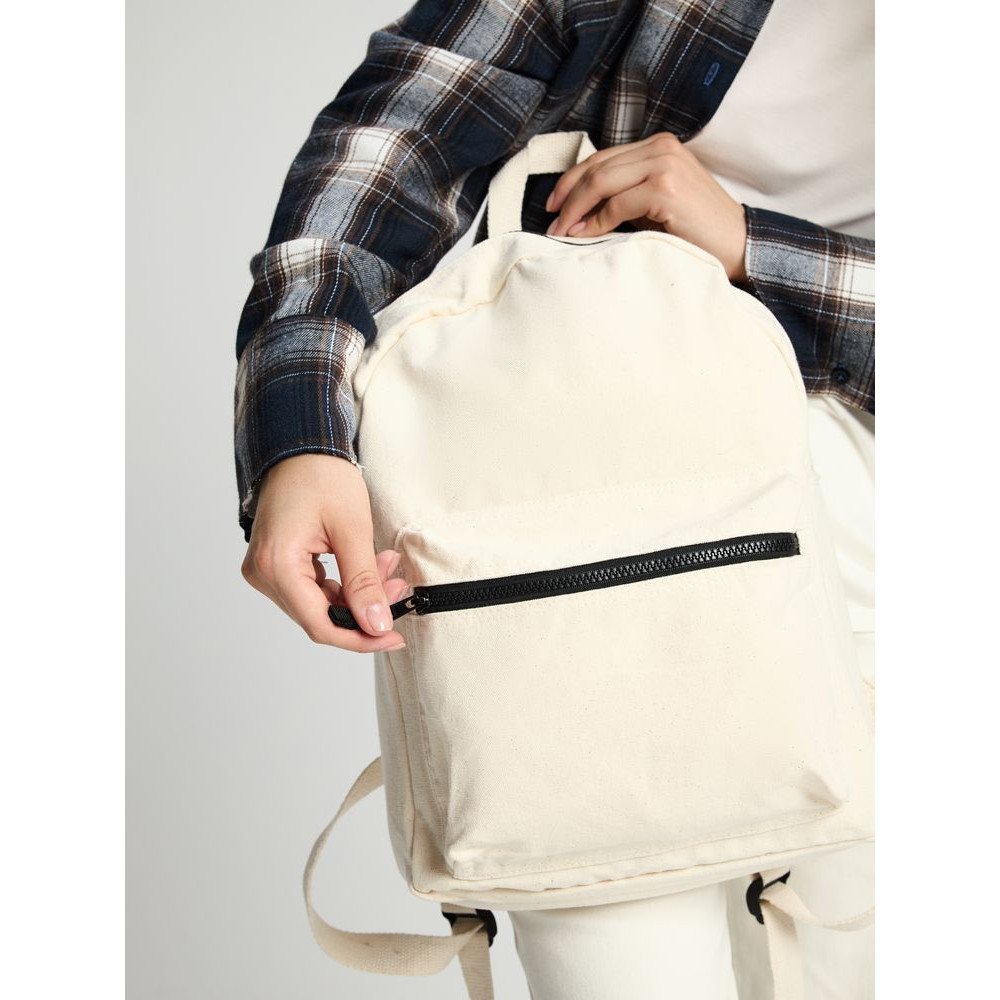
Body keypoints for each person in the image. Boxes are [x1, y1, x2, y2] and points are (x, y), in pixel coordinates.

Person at [234, 1, 874, 997]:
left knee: (857, 955)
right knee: (605, 935)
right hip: (584, 451)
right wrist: (298, 438)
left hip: (873, 489)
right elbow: (393, 141)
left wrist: (757, 246)